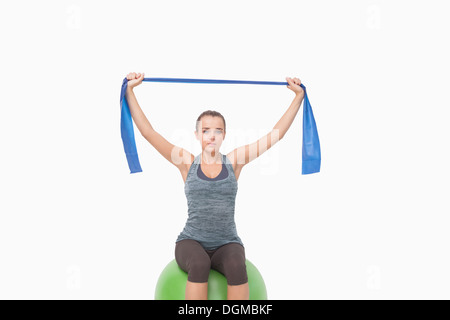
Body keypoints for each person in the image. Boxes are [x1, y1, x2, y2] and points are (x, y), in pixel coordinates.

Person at [124, 72, 305, 300]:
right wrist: (130, 92)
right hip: (191, 242)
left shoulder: (234, 161)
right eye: (206, 130)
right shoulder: (186, 161)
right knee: (199, 263)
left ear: (224, 135)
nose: (212, 136)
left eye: (217, 130)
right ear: (197, 135)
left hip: (227, 242)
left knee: (237, 265)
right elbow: (148, 133)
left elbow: (274, 136)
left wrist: (297, 97)